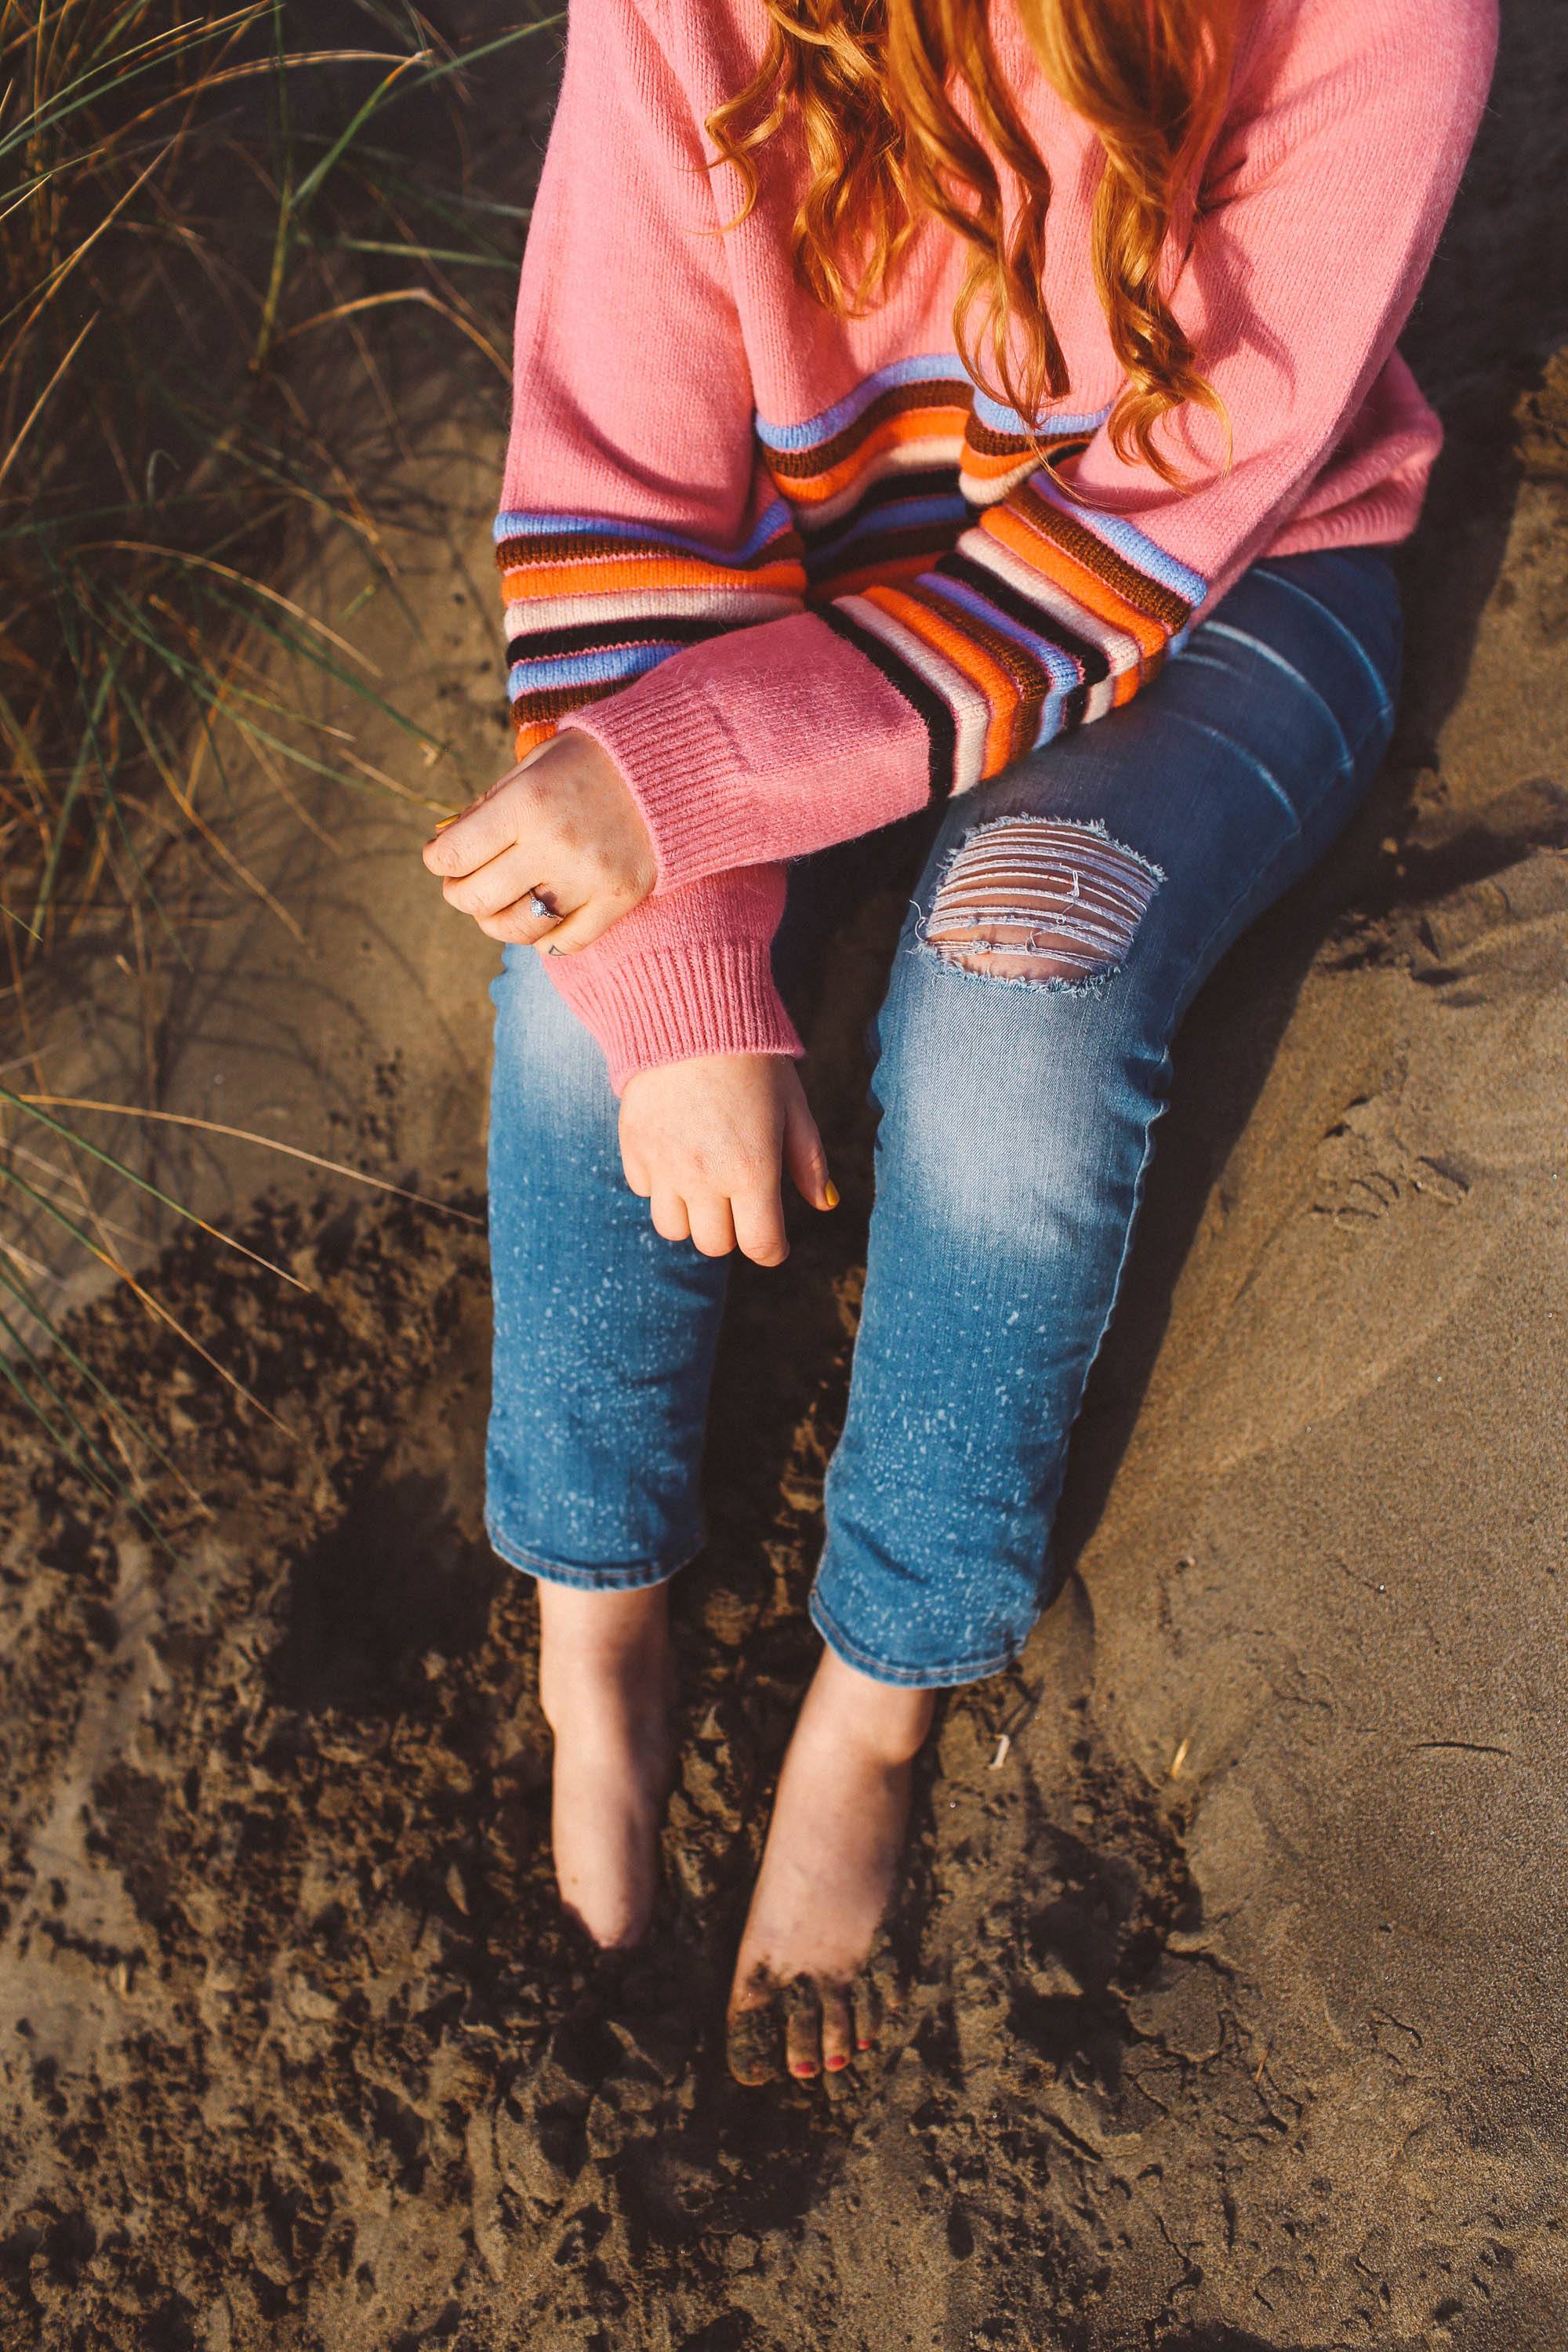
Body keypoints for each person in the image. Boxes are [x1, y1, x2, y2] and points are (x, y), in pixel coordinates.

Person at [423, 0, 1495, 2084]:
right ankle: (596, 1628)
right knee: (581, 1004)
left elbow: (1139, 541)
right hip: (815, 580)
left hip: (1221, 585)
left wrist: (689, 784)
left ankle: (882, 1693)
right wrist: (682, 967)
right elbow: (622, 501)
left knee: (1013, 996)